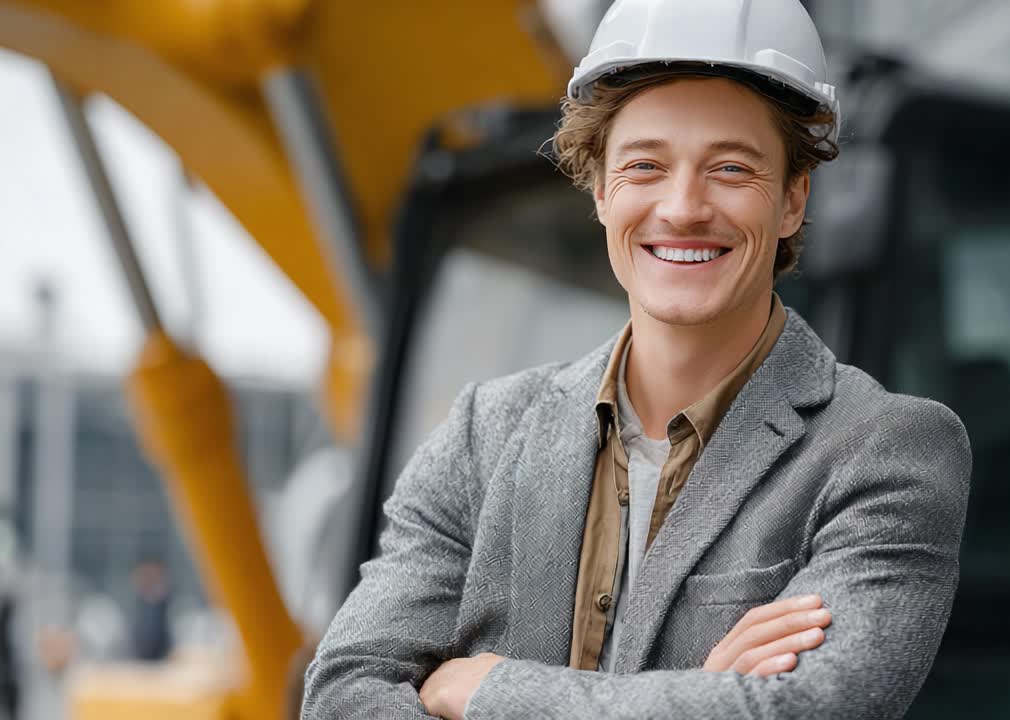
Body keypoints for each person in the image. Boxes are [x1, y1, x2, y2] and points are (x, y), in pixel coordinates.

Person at [302, 1, 971, 718]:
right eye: (645, 165)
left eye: (731, 168)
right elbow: (343, 696)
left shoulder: (885, 452)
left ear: (792, 200)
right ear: (599, 191)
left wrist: (486, 690)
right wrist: (708, 697)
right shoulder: (481, 438)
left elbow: (811, 709)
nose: (682, 207)